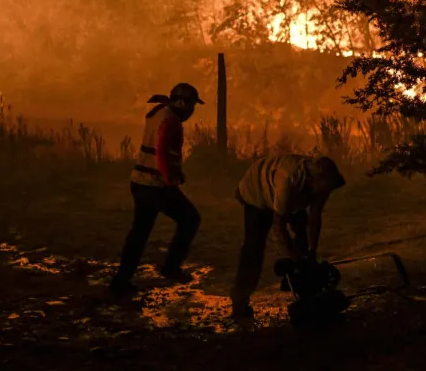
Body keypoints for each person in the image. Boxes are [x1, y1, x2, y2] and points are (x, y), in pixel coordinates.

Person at [110, 83, 204, 296]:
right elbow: (162, 152)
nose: (191, 110)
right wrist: (171, 178)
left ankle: (120, 281)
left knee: (140, 232)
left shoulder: (159, 112)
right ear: (180, 102)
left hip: (140, 181)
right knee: (190, 219)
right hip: (155, 185)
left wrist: (175, 172)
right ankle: (171, 267)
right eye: (190, 105)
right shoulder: (171, 121)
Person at [230, 154, 346, 318]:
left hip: (286, 197)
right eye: (324, 188)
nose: (326, 193)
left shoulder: (319, 183)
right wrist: (292, 258)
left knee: (303, 241)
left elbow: (315, 215)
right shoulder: (289, 180)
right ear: (314, 181)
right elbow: (279, 226)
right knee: (254, 248)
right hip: (256, 191)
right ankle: (240, 302)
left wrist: (312, 251)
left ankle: (304, 289)